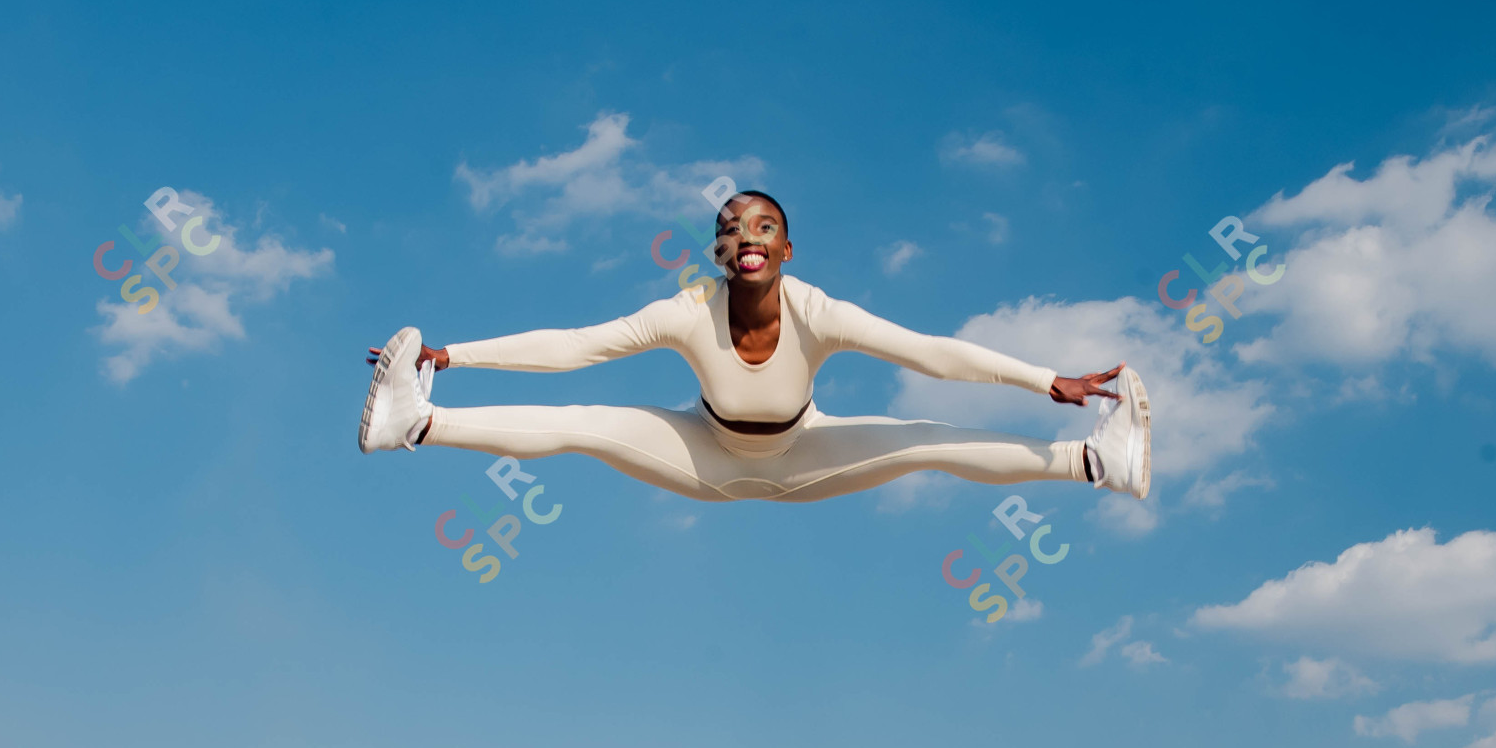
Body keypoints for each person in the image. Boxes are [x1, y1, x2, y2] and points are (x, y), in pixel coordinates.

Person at [358, 190, 1149, 504]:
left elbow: (929, 353)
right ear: (717, 251)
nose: (746, 235)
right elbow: (577, 346)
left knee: (928, 441)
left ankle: (1098, 463)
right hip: (704, 452)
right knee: (584, 421)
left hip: (805, 456)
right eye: (731, 226)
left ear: (787, 249)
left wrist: (1050, 382)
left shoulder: (820, 311)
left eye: (763, 226)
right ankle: (416, 423)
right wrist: (449, 355)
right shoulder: (686, 310)